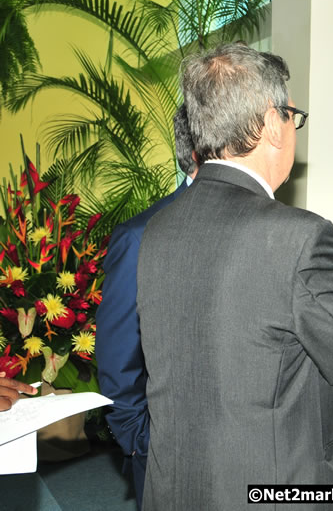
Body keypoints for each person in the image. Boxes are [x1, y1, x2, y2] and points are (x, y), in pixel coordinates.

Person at [136, 43, 333, 510]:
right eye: (293, 115)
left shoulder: (160, 228)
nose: (294, 129)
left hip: (177, 488)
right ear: (272, 123)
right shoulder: (297, 237)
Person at [95, 105, 197, 509]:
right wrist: (141, 438)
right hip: (164, 450)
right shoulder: (140, 236)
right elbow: (118, 356)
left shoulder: (268, 228)